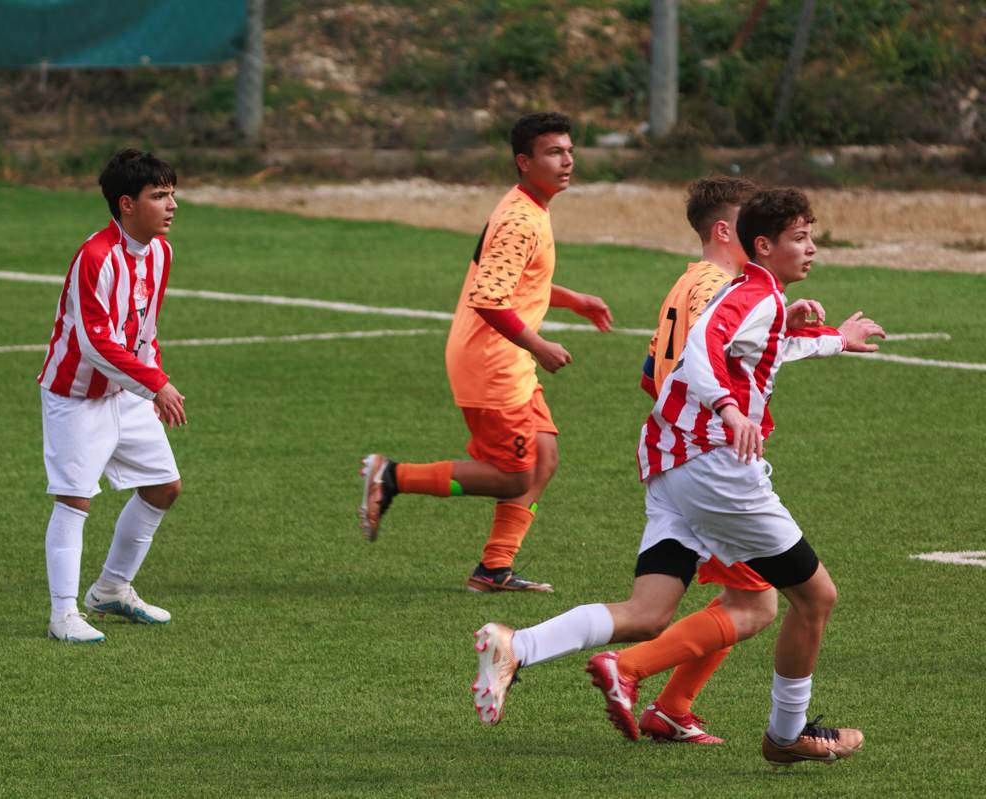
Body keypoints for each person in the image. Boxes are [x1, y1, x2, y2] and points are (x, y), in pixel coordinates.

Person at [473, 188, 886, 767]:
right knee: (813, 597)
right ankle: (786, 734)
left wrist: (837, 338)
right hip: (714, 467)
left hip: (671, 464)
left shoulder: (747, 291)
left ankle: (518, 645)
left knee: (650, 611)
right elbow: (701, 351)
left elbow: (734, 352)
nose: (812, 248)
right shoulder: (749, 293)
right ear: (763, 245)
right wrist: (728, 408)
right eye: (800, 238)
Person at [359, 112, 613, 593]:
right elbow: (489, 299)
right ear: (524, 162)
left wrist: (573, 300)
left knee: (544, 457)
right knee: (514, 477)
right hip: (492, 362)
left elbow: (516, 282)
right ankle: (391, 476)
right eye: (554, 152)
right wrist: (539, 345)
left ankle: (494, 568)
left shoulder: (528, 208)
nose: (567, 161)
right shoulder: (520, 220)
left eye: (569, 151)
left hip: (505, 358)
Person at [606, 175, 782, 746]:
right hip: (709, 460)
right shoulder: (723, 289)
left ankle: (672, 707)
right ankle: (625, 668)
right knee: (760, 597)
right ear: (729, 230)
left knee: (745, 594)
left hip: (686, 455)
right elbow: (704, 368)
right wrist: (724, 416)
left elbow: (649, 375)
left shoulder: (685, 282)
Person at [37, 149, 187, 643]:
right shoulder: (96, 257)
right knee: (74, 499)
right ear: (126, 203)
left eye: (171, 194)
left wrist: (151, 381)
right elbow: (95, 343)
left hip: (127, 392)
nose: (172, 205)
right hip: (76, 394)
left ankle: (111, 589)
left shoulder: (161, 253)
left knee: (163, 487)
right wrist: (157, 384)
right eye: (159, 195)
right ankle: (63, 614)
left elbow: (144, 330)